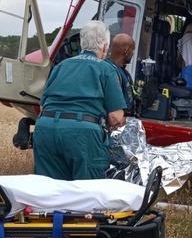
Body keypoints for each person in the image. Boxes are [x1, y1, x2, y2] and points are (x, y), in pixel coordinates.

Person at [33, 21, 126, 181]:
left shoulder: (61, 66)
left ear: (82, 43)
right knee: (86, 194)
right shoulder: (107, 69)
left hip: (45, 130)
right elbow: (116, 117)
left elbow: (42, 106)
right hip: (82, 135)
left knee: (48, 190)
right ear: (105, 47)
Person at [107, 33, 136, 115]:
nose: (133, 54)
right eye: (132, 50)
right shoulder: (109, 71)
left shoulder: (124, 73)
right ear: (126, 51)